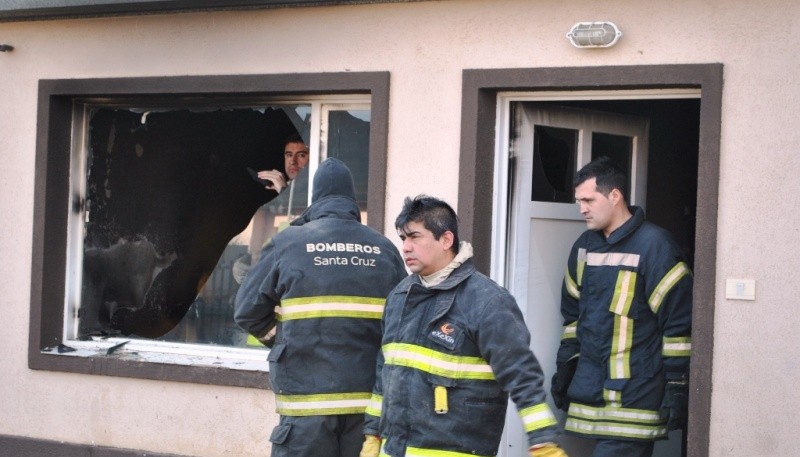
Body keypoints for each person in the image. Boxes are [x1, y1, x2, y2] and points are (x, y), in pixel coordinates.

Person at [360, 195, 567, 457]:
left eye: (415, 237)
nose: (406, 248)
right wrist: (373, 435)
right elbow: (384, 374)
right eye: (403, 239)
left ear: (446, 239)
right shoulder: (400, 297)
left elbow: (522, 376)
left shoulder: (488, 301)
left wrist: (543, 440)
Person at [234, 157, 407, 457]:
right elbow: (403, 322)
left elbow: (246, 311)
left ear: (315, 198)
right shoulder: (384, 249)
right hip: (368, 409)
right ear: (352, 199)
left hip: (306, 408)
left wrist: (281, 339)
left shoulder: (288, 243)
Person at [550, 157, 693, 457]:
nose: (582, 209)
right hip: (591, 395)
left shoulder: (656, 247)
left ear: (615, 196)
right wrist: (566, 366)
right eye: (579, 201)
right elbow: (573, 319)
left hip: (636, 396)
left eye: (589, 199)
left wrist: (677, 383)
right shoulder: (584, 247)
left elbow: (679, 326)